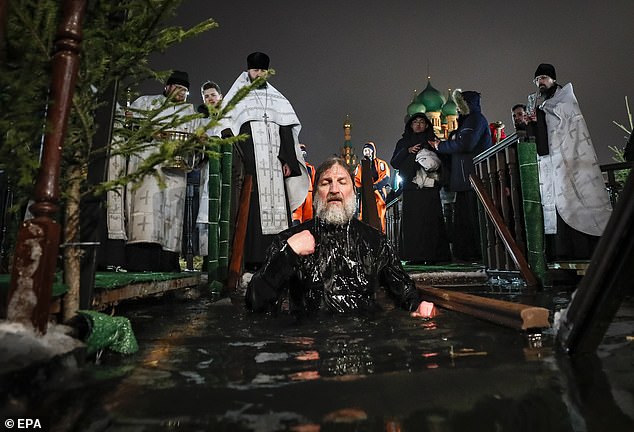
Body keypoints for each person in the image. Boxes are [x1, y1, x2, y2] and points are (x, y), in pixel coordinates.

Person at [245, 157, 434, 318]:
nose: (334, 189)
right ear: (316, 193)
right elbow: (255, 301)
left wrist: (419, 307)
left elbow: (404, 289)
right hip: (309, 342)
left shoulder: (376, 242)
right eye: (326, 183)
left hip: (363, 339)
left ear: (353, 191)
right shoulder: (290, 240)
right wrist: (288, 254)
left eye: (342, 182)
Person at [218, 52, 309, 269]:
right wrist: (239, 156)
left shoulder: (277, 98)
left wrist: (288, 160)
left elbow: (286, 129)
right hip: (250, 164)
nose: (258, 74)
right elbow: (225, 126)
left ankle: (276, 256)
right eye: (255, 70)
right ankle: (250, 258)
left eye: (262, 71)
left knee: (278, 207)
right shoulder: (237, 95)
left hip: (275, 166)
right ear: (248, 71)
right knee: (251, 207)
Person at [108, 70, 199, 271]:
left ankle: (167, 263)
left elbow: (196, 144)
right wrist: (153, 133)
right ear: (167, 87)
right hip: (147, 164)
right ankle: (140, 262)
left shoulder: (191, 113)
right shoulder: (145, 103)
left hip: (175, 172)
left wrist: (196, 145)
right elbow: (129, 128)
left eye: (184, 90)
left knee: (171, 215)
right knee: (147, 214)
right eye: (177, 88)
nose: (180, 93)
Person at [527, 63, 612, 260]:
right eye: (537, 79)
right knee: (562, 203)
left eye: (544, 78)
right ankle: (565, 252)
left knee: (578, 201)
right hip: (556, 163)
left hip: (573, 159)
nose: (540, 82)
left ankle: (587, 251)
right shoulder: (544, 103)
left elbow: (562, 122)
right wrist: (533, 119)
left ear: (553, 79)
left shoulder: (565, 100)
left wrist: (539, 114)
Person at [430, 89, 492, 262]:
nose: (457, 110)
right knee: (464, 221)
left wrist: (440, 146)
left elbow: (465, 144)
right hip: (464, 181)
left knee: (474, 220)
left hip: (474, 180)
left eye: (460, 105)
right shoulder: (466, 123)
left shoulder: (476, 120)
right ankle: (466, 254)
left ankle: (478, 254)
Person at [390, 113, 451, 264]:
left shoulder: (433, 141)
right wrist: (407, 151)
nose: (418, 125)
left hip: (430, 188)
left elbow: (444, 160)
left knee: (431, 222)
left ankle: (434, 256)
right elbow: (395, 163)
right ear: (410, 125)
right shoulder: (403, 142)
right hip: (411, 189)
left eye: (422, 122)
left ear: (427, 125)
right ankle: (414, 256)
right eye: (415, 122)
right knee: (413, 224)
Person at [195, 81, 223, 259]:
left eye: (213, 95)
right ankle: (207, 257)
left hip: (224, 171)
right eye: (206, 96)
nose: (210, 99)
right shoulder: (201, 121)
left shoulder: (228, 116)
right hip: (207, 171)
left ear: (220, 96)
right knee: (206, 213)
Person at [353, 142, 391, 232]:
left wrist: (375, 186)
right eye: (365, 151)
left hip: (378, 194)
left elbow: (385, 176)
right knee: (365, 216)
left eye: (368, 150)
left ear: (373, 151)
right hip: (366, 194)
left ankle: (381, 235)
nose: (366, 152)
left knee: (380, 215)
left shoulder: (380, 163)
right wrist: (361, 188)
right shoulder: (360, 166)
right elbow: (356, 179)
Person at [291, 143, 316, 225]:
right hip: (297, 194)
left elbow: (315, 183)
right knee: (296, 218)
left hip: (308, 196)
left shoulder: (310, 168)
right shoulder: (292, 167)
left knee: (308, 219)